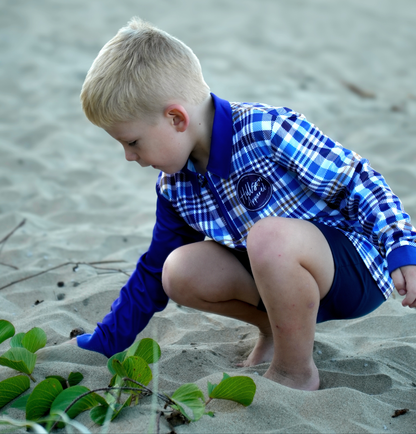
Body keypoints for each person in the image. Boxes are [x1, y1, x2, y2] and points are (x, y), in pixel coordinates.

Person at [75, 17, 416, 390]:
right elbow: (153, 272)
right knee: (178, 270)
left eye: (133, 142)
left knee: (268, 237)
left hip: (350, 272)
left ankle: (294, 371)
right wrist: (106, 342)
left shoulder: (265, 131)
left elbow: (356, 180)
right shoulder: (174, 186)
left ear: (176, 118)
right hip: (275, 280)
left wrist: (401, 244)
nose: (128, 156)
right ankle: (276, 329)